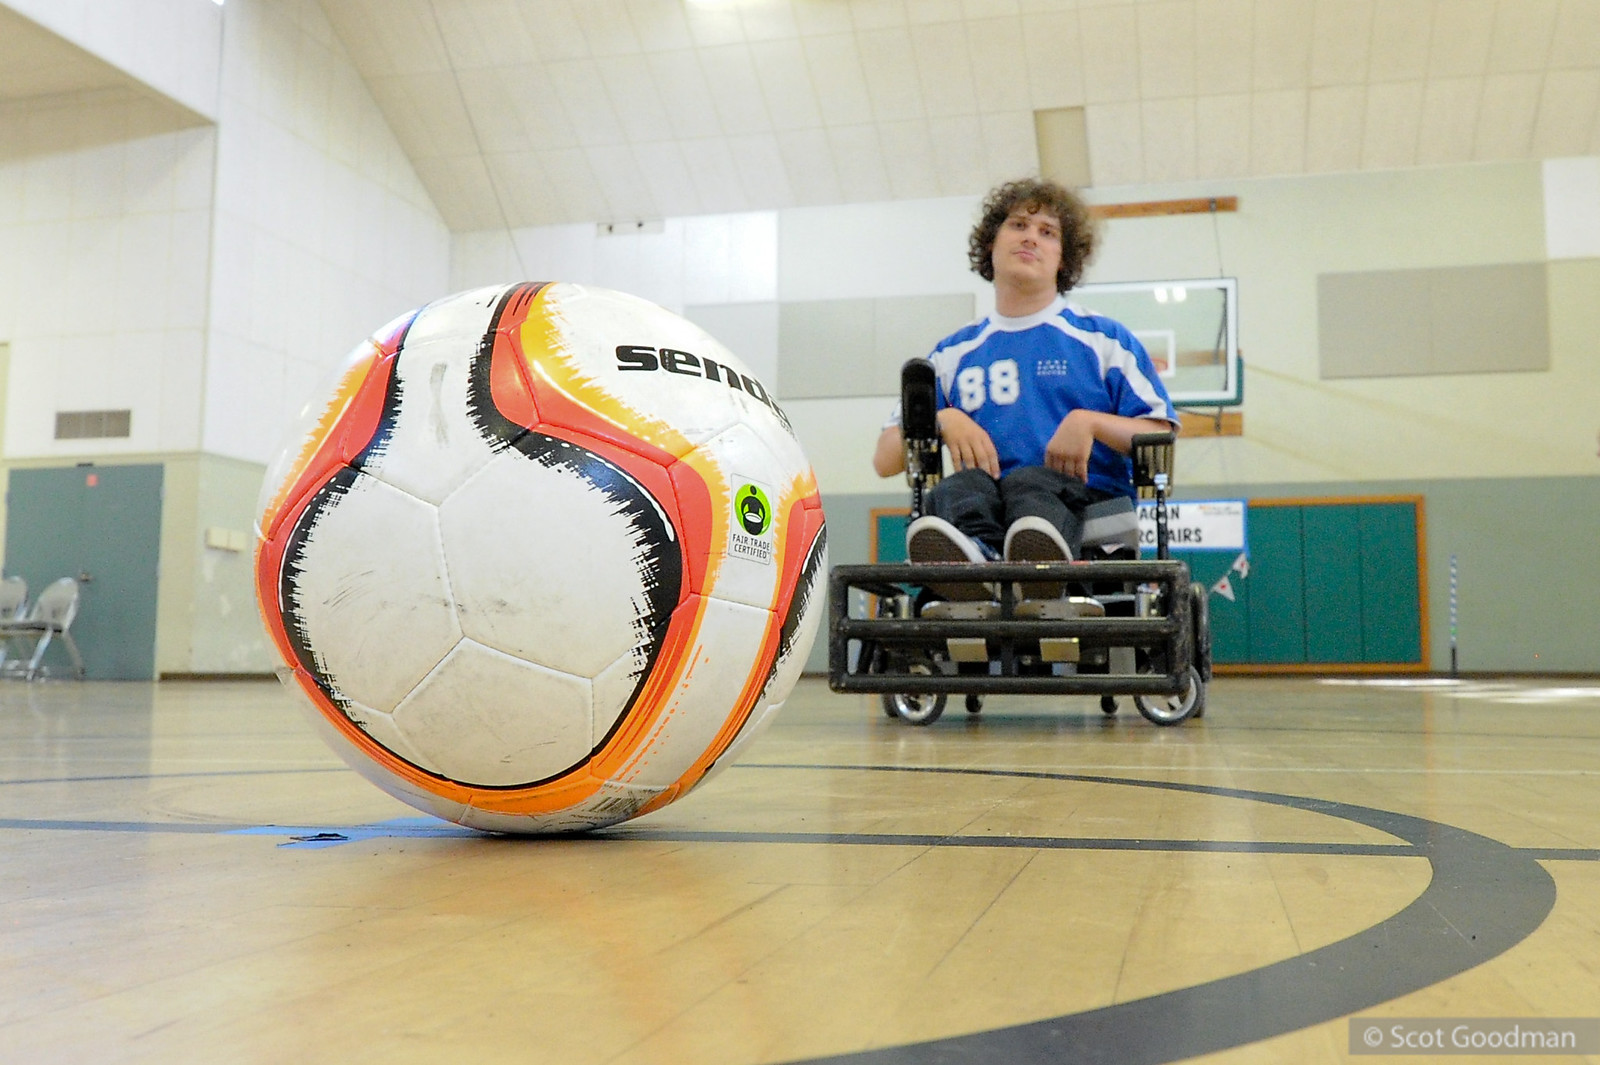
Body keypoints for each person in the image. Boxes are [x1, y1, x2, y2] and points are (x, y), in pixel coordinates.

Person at [874, 178, 1178, 598]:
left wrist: (1089, 422)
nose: (1031, 237)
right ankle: (978, 570)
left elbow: (1160, 433)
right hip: (984, 505)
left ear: (1063, 257)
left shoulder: (1104, 340)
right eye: (1018, 225)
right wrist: (943, 418)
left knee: (1032, 482)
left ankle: (1041, 568)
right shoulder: (953, 353)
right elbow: (885, 459)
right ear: (992, 244)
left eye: (1048, 232)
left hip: (1084, 503)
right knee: (956, 489)